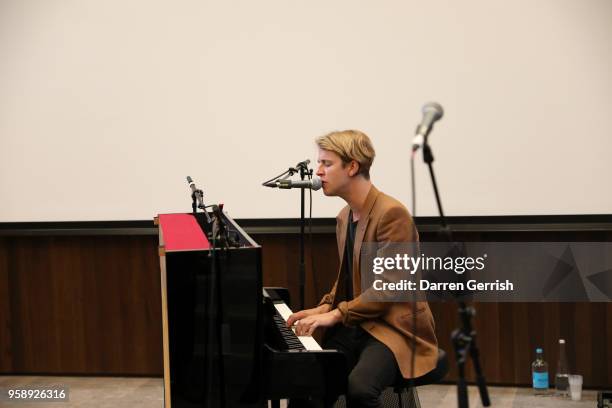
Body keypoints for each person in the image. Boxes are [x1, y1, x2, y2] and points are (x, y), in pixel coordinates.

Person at [286, 130, 438, 408]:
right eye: (319, 163)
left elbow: (388, 288)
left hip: (394, 327)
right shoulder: (344, 217)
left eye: (326, 164)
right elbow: (347, 279)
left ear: (352, 166)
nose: (318, 172)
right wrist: (322, 308)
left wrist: (335, 315)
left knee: (360, 389)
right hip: (360, 324)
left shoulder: (392, 213)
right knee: (306, 380)